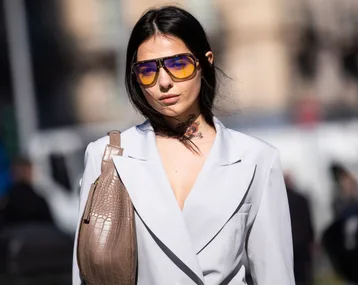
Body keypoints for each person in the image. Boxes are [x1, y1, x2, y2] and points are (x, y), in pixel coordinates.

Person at [72, 5, 295, 285]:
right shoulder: (107, 157)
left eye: (178, 64)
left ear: (205, 62)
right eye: (147, 71)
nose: (163, 82)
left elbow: (275, 276)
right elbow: (84, 274)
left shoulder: (257, 159)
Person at [284, 173, 315, 285]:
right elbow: (308, 223)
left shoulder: (279, 200)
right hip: (301, 244)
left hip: (288, 244)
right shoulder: (301, 198)